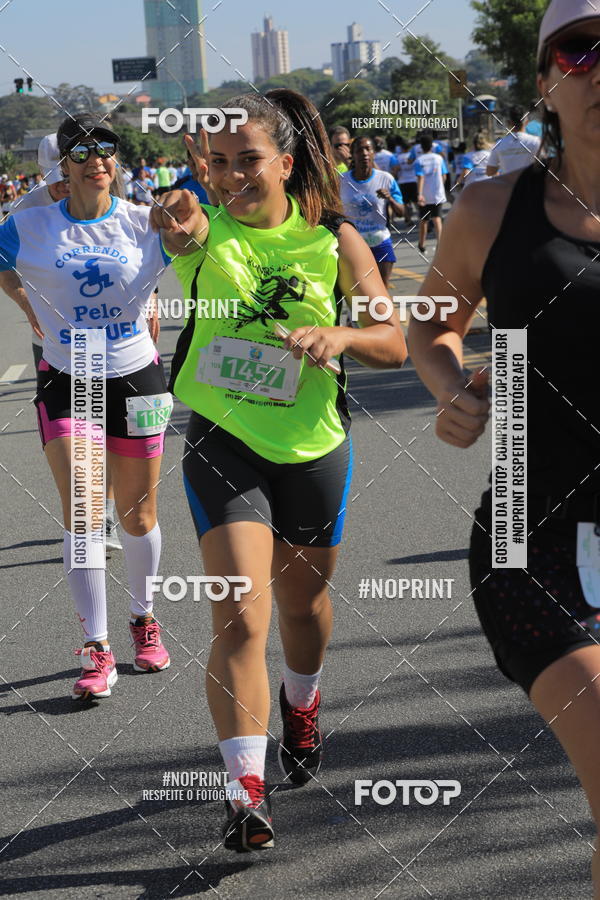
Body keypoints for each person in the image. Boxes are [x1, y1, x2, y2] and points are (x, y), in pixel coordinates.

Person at [151, 89, 407, 851]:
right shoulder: (203, 231)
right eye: (221, 163)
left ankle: (303, 702)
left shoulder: (335, 240)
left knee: (302, 612)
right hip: (225, 444)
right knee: (240, 617)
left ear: (286, 163)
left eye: (249, 161)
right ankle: (244, 793)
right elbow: (183, 228)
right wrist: (181, 216)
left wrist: (342, 336)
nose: (233, 176)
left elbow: (395, 342)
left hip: (314, 448)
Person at [408, 1, 600, 894]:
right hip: (533, 533)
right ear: (545, 84)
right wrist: (455, 390)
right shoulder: (493, 207)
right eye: (579, 49)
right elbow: (431, 326)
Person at [0, 114, 172, 699]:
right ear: (64, 162)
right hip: (70, 374)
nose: (97, 158)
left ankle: (142, 618)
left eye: (107, 149)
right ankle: (97, 648)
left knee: (138, 515)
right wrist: (31, 308)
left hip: (134, 373)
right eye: (82, 151)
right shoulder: (33, 225)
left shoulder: (142, 222)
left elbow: (205, 245)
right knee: (83, 506)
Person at [339, 136, 404, 288]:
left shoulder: (386, 179)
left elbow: (403, 213)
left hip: (380, 242)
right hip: (353, 244)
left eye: (368, 149)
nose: (364, 153)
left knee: (382, 289)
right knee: (358, 289)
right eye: (359, 150)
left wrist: (391, 199)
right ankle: (353, 313)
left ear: (374, 153)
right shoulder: (341, 180)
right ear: (353, 155)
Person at [415, 134, 448, 255]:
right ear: (431, 146)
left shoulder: (419, 160)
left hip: (424, 195)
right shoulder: (439, 159)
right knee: (437, 219)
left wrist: (419, 194)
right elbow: (444, 176)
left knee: (424, 220)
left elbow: (420, 177)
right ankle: (440, 243)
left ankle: (422, 244)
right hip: (437, 194)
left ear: (421, 147)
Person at [486, 105, 542, 175]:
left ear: (509, 122)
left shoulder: (499, 144)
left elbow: (490, 172)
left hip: (507, 185)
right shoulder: (535, 141)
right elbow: (543, 166)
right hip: (529, 184)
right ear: (527, 122)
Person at [391, 137, 418, 225]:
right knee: (416, 202)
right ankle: (422, 217)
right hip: (413, 180)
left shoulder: (397, 157)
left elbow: (396, 169)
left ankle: (408, 219)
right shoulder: (413, 156)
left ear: (401, 148)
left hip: (403, 182)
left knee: (405, 202)